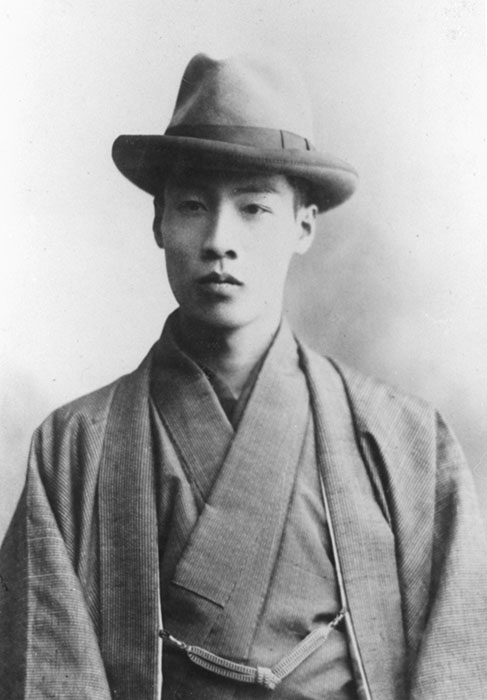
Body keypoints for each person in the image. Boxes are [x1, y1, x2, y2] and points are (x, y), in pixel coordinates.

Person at [0, 52, 486, 700]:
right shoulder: (73, 448)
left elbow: (459, 665)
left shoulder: (407, 441)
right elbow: (46, 673)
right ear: (158, 221)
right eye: (192, 205)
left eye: (254, 208)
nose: (219, 240)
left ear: (303, 226)